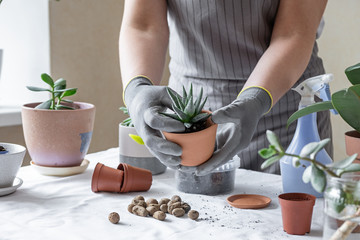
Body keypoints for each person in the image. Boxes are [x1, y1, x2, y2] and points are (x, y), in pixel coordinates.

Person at [119, 0, 332, 176]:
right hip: (189, 117)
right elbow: (143, 25)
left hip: (287, 115)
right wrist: (137, 90)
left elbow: (294, 32)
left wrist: (256, 99)